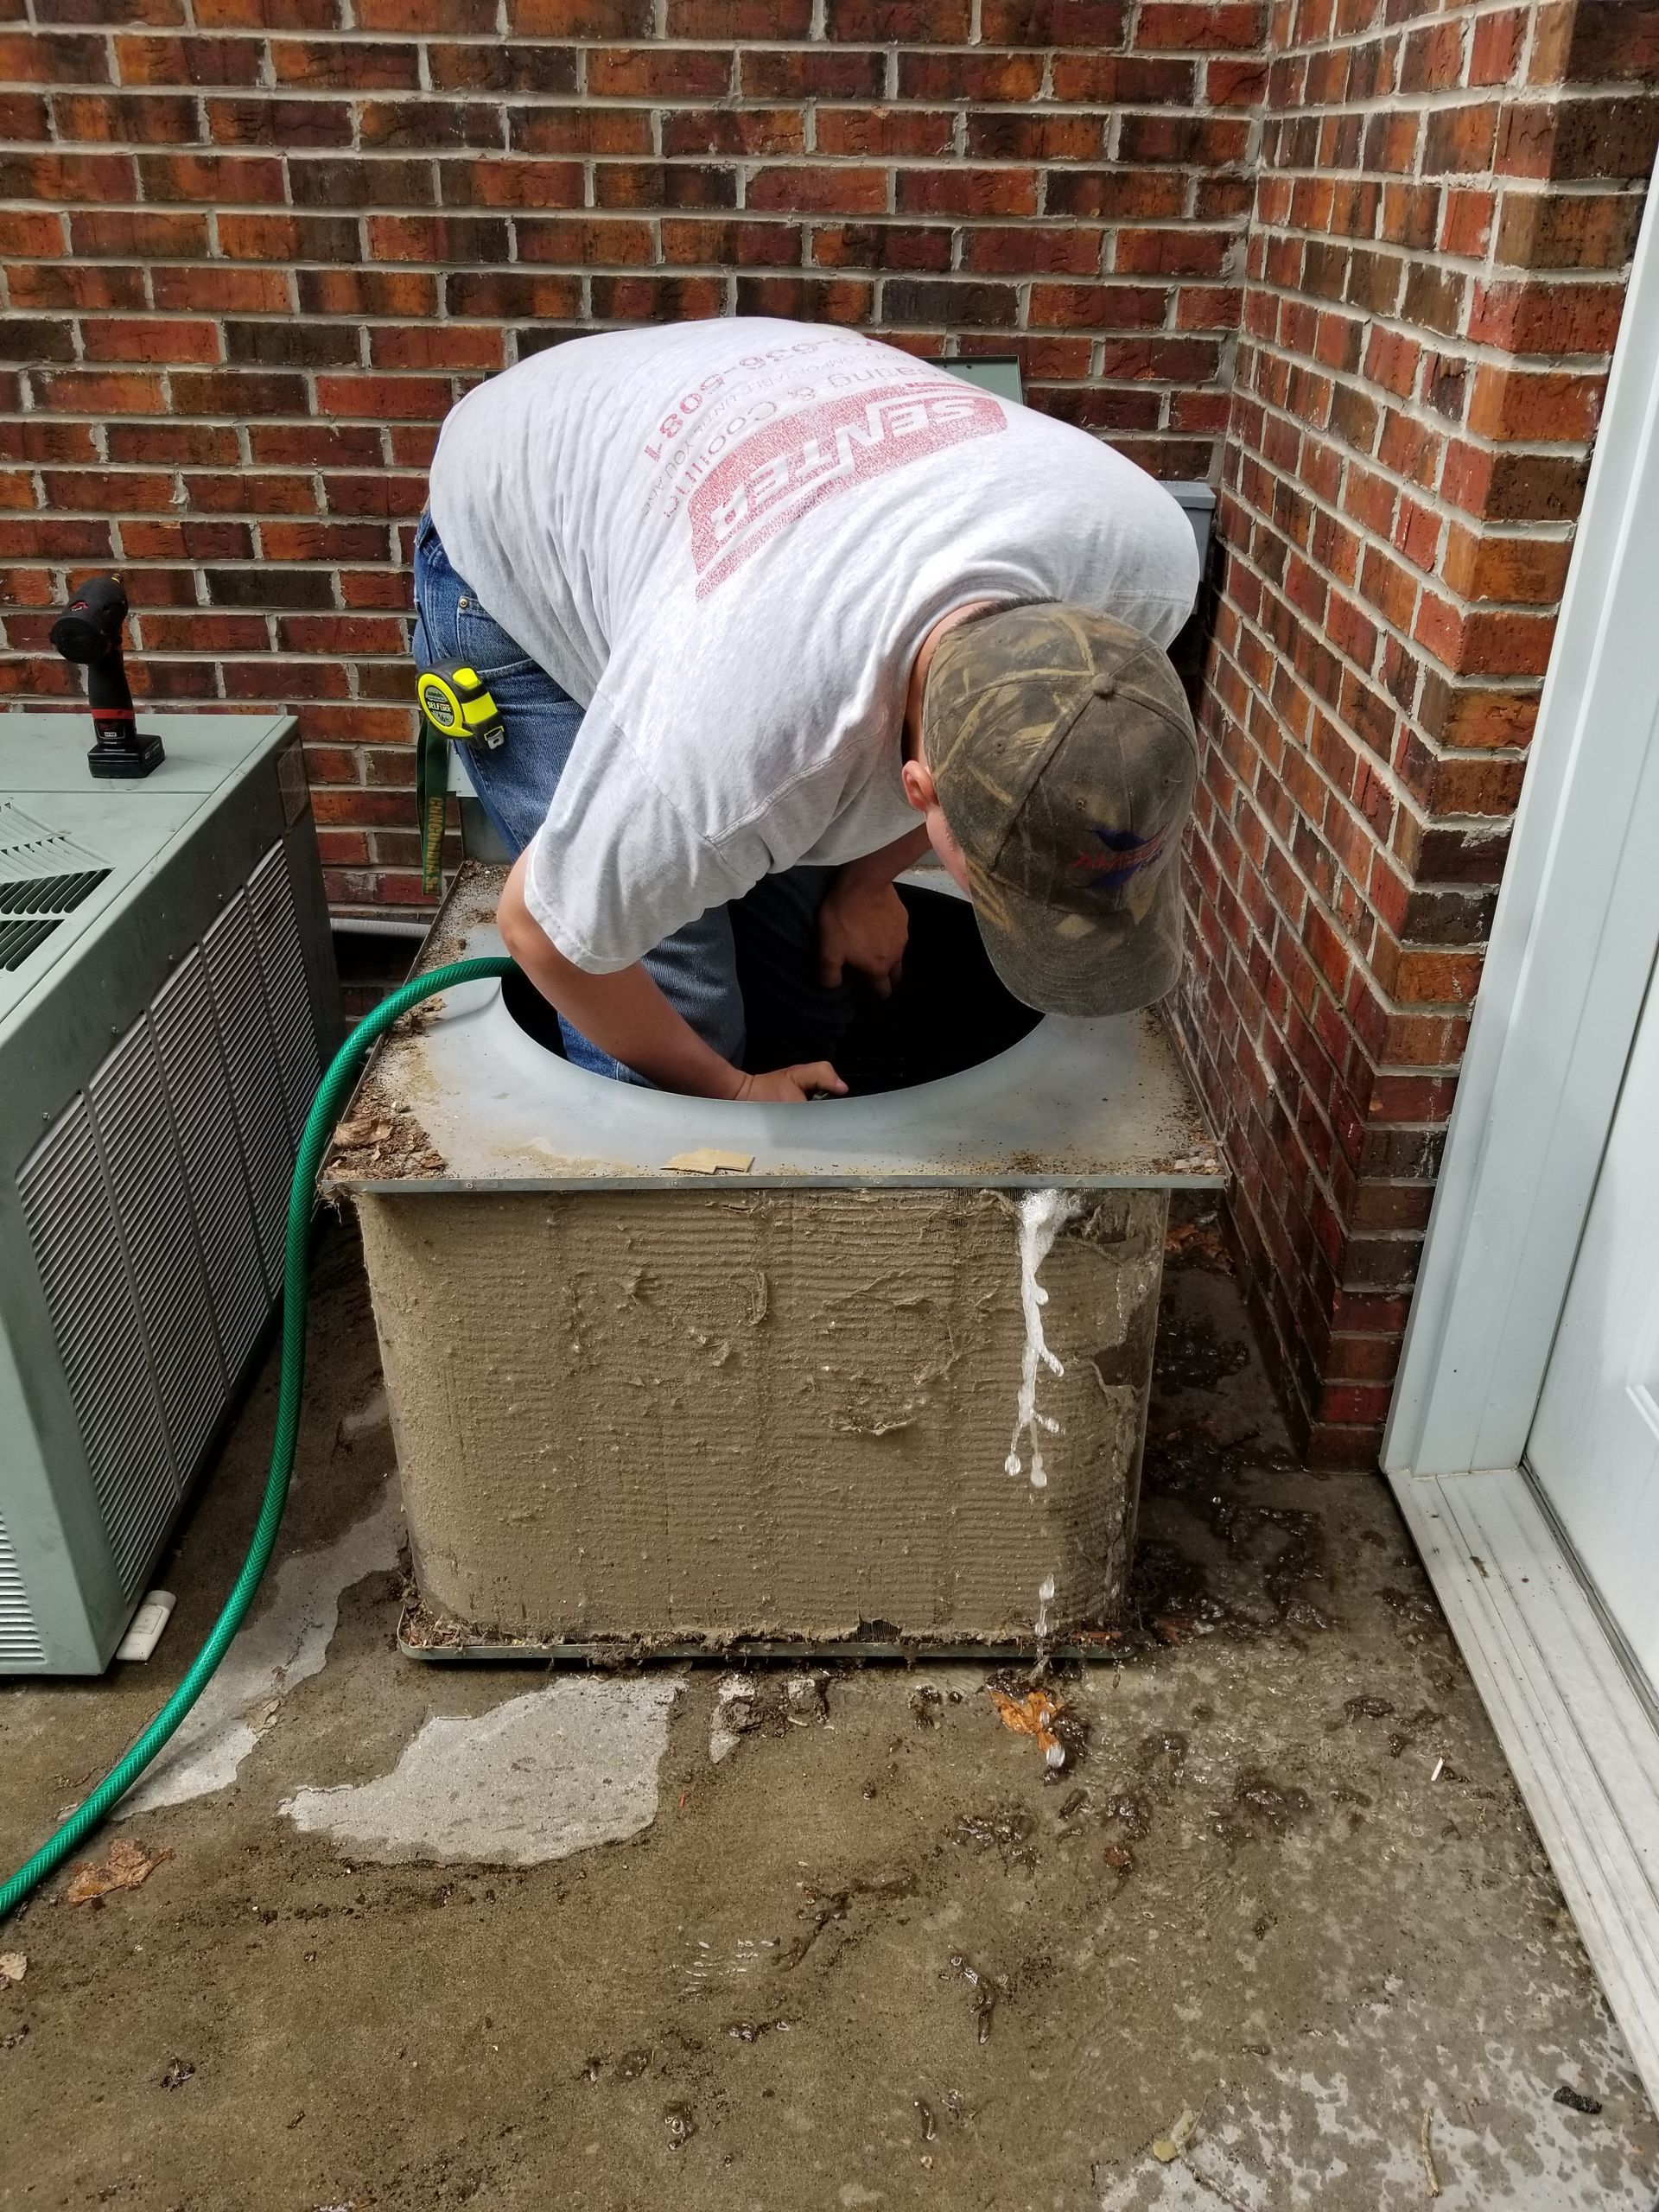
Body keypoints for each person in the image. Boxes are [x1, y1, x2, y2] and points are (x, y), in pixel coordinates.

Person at [414, 316, 1200, 1102]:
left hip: (738, 505)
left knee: (804, 975)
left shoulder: (1147, 569)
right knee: (680, 1010)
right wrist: (733, 1092)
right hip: (519, 520)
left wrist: (863, 884)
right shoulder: (728, 752)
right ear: (917, 791)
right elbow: (546, 934)